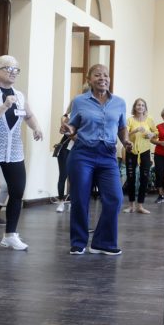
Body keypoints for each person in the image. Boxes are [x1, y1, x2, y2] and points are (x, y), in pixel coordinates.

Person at [61, 64, 132, 256]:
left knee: (115, 199)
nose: (103, 78)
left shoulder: (119, 102)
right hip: (83, 154)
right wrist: (68, 129)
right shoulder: (79, 101)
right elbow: (74, 125)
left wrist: (125, 141)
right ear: (89, 79)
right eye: (98, 75)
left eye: (106, 75)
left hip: (108, 155)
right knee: (80, 198)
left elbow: (122, 126)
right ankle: (78, 241)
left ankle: (103, 242)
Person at [0, 55, 43, 250]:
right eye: (8, 68)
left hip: (14, 151)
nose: (13, 72)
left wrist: (36, 127)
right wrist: (4, 106)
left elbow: (29, 115)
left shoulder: (20, 95)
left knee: (17, 191)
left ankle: (10, 235)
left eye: (16, 69)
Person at [122, 98, 157, 214]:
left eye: (142, 105)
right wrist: (135, 130)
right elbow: (125, 134)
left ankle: (140, 206)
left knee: (144, 178)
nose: (140, 107)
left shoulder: (150, 120)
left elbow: (156, 133)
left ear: (145, 108)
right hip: (131, 151)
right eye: (138, 105)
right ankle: (131, 205)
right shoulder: (130, 120)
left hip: (145, 152)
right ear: (135, 107)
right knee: (131, 178)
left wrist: (152, 134)